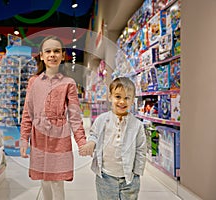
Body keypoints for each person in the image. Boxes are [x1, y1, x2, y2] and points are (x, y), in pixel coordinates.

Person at [20, 35, 86, 200]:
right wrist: (23, 138)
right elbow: (28, 113)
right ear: (41, 55)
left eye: (56, 51)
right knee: (44, 179)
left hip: (59, 136)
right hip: (39, 136)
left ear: (63, 55)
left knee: (57, 180)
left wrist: (82, 142)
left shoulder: (69, 82)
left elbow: (75, 116)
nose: (52, 55)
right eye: (48, 51)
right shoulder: (33, 82)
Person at [79, 77, 147, 200]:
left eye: (127, 98)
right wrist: (91, 143)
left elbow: (141, 149)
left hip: (129, 178)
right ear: (110, 97)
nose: (122, 101)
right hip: (105, 176)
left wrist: (137, 173)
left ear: (133, 100)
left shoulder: (137, 125)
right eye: (118, 97)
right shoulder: (102, 120)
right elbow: (94, 135)